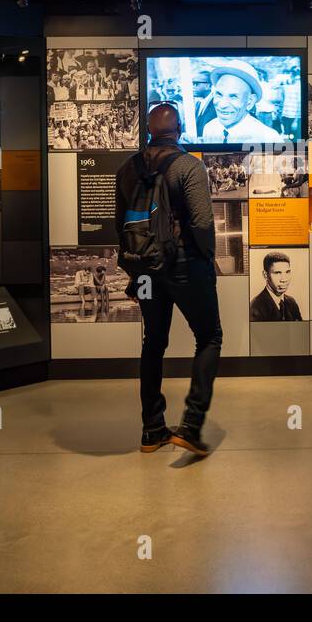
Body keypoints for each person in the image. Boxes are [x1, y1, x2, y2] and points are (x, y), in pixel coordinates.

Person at [116, 102, 221, 457]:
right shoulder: (189, 166)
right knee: (209, 337)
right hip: (184, 266)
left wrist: (135, 273)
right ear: (179, 129)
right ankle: (191, 426)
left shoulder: (128, 169)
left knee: (153, 343)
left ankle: (152, 430)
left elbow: (121, 228)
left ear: (149, 129)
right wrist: (206, 262)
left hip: (147, 270)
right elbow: (203, 223)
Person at [200, 60, 283, 144]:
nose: (222, 104)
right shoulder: (209, 128)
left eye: (233, 97)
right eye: (219, 94)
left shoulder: (269, 138)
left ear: (250, 102)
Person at [250, 251, 303, 321]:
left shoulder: (292, 302)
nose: (284, 279)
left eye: (287, 272)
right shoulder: (255, 307)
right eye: (277, 273)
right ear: (265, 275)